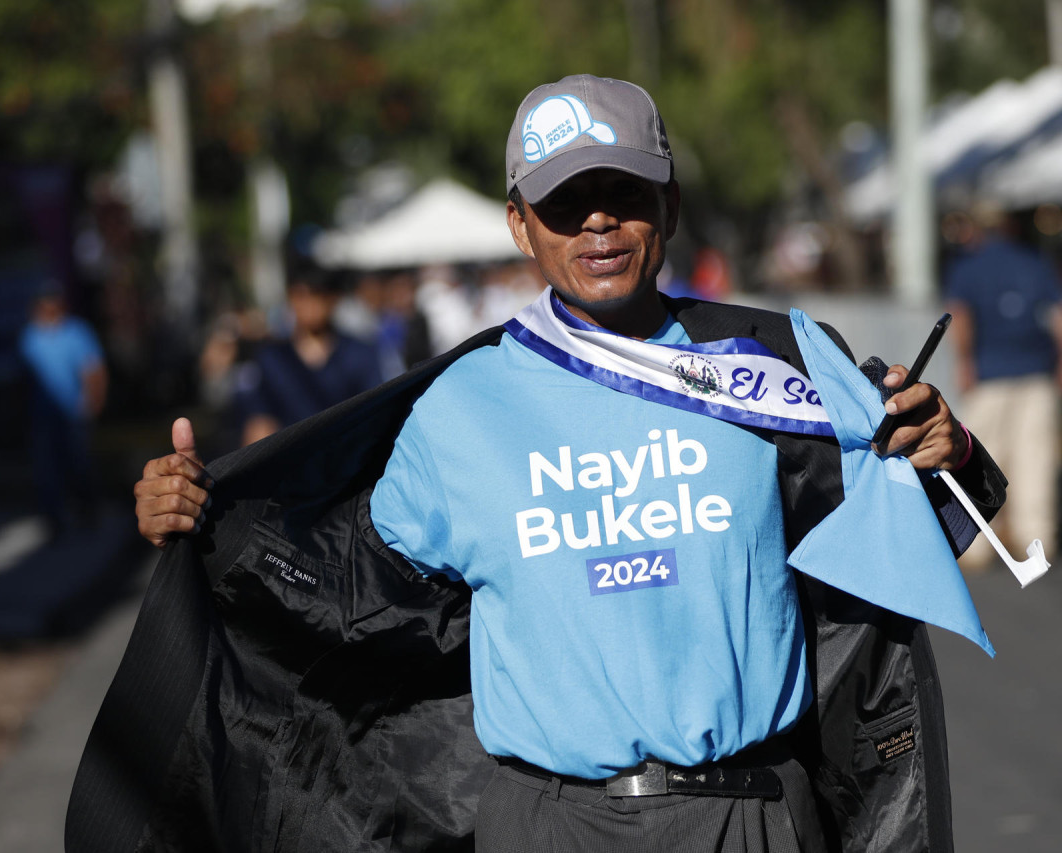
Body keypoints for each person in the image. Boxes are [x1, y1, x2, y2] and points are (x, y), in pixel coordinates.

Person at [71, 76, 1005, 853]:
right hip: (552, 823)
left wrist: (945, 449)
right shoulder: (460, 411)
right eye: (564, 204)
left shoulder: (780, 366)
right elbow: (337, 593)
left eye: (625, 194)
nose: (597, 223)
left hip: (753, 814)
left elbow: (909, 547)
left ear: (668, 206)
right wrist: (207, 516)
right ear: (522, 226)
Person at [944, 201, 1062, 569]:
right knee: (1035, 458)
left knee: (980, 459)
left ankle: (977, 545)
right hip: (1035, 370)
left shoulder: (968, 266)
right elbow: (1058, 318)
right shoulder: (1035, 262)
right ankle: (1037, 540)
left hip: (989, 373)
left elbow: (961, 319)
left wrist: (964, 363)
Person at [233, 269, 384, 446]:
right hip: (287, 459)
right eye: (300, 296)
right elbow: (259, 422)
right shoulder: (272, 358)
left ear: (334, 299)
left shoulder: (359, 353)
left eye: (317, 295)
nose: (309, 304)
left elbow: (375, 414)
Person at [18, 283, 107, 531]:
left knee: (80, 466)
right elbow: (24, 377)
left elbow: (94, 370)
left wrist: (93, 403)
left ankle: (87, 515)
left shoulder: (76, 332)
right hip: (43, 417)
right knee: (46, 470)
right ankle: (53, 521)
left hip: (73, 415)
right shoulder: (30, 337)